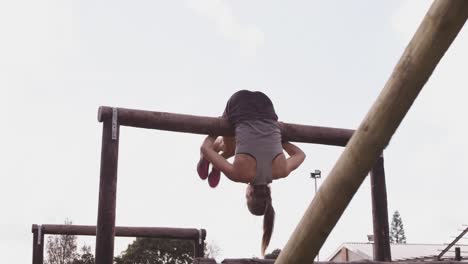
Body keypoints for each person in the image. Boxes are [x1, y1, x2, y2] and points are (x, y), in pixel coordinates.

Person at [197, 90, 306, 256]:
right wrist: (216, 128)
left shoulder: (281, 170)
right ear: (249, 194)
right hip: (238, 104)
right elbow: (204, 148)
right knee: (227, 146)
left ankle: (216, 162)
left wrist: (279, 137)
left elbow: (300, 155)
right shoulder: (239, 175)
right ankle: (215, 163)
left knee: (232, 148)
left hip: (267, 106)